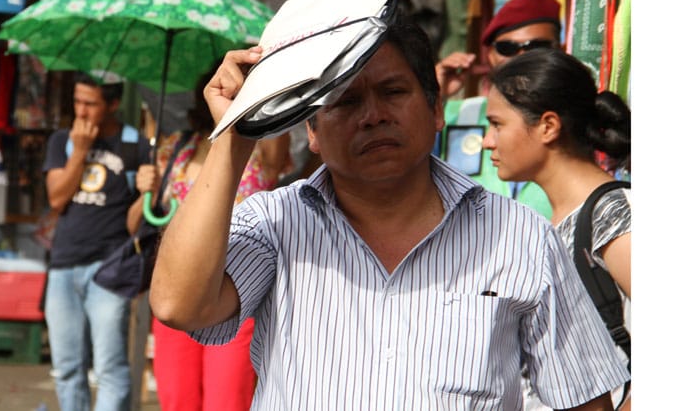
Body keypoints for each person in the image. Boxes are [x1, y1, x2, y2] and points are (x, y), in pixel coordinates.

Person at [150, 21, 629, 409]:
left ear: (436, 109)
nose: (373, 115)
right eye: (347, 100)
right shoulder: (276, 224)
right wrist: (236, 135)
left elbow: (583, 400)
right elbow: (177, 304)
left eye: (394, 91)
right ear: (312, 131)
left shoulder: (518, 235)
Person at [483, 48, 632, 411]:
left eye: (498, 124)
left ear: (548, 126)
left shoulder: (614, 214)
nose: (487, 140)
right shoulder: (538, 226)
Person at [138, 68, 289, 411]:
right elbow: (144, 217)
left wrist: (266, 81)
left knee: (226, 401)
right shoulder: (175, 149)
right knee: (177, 399)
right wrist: (143, 192)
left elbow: (278, 152)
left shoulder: (260, 147)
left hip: (234, 294)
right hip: (180, 285)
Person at [41, 73, 153, 411]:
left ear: (113, 104)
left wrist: (148, 193)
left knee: (109, 367)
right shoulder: (63, 141)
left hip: (110, 268)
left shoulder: (136, 146)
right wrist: (81, 152)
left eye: (90, 104)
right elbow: (57, 199)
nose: (81, 111)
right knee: (67, 369)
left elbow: (137, 223)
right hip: (63, 265)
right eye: (77, 101)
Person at [435, 0, 562, 219]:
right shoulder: (455, 114)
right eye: (508, 48)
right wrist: (434, 95)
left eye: (537, 46)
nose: (522, 57)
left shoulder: (571, 118)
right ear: (490, 54)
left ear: (559, 48)